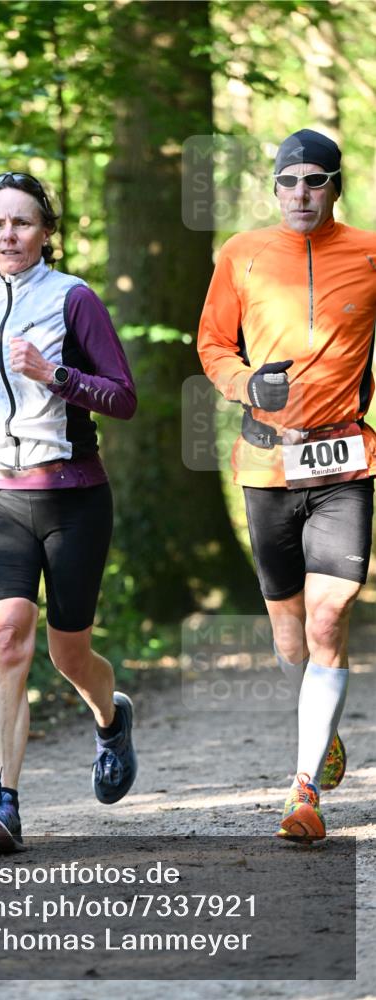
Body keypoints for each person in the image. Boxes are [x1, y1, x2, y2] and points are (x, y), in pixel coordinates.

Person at [0, 171, 138, 853]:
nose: (9, 234)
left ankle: (110, 717)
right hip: (2, 498)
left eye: (22, 222)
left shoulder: (74, 300)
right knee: (8, 639)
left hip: (74, 498)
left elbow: (122, 396)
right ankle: (2, 801)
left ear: (45, 230)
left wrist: (56, 375)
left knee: (66, 651)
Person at [197, 129, 376, 843]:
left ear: (334, 186)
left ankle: (303, 790)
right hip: (266, 464)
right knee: (289, 635)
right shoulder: (240, 254)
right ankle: (320, 730)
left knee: (330, 619)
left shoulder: (367, 253)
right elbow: (210, 344)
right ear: (272, 188)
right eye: (287, 182)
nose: (299, 194)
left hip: (343, 464)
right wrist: (246, 383)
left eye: (314, 181)